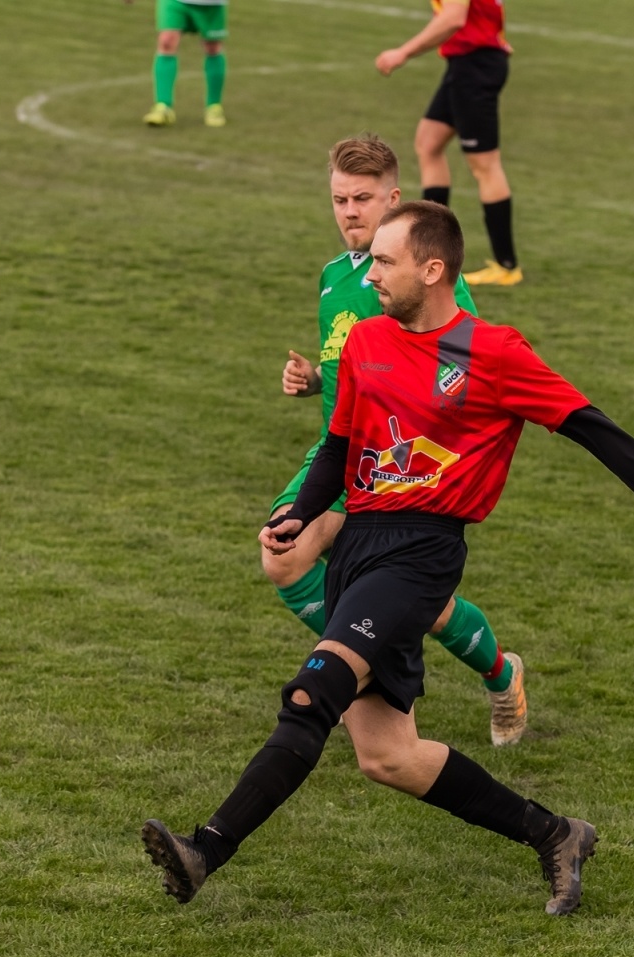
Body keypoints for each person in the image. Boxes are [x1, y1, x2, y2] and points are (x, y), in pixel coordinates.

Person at [144, 200, 634, 915]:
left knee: (311, 694)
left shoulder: (492, 352)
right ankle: (557, 834)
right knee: (388, 756)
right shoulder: (367, 341)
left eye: (385, 261)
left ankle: (205, 852)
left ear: (432, 269)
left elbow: (593, 428)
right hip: (359, 543)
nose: (371, 274)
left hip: (420, 554)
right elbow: (340, 447)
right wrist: (300, 514)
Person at [271, 134, 530, 747]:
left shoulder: (423, 274)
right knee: (285, 556)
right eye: (339, 199)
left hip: (395, 463)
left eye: (362, 199)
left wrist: (424, 411)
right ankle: (360, 668)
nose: (349, 212)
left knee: (417, 604)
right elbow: (349, 364)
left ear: (393, 200)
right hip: (336, 453)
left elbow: (459, 355)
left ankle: (498, 675)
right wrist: (315, 380)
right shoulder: (334, 275)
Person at [374, 0, 522, 286]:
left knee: (485, 165)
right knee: (428, 143)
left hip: (475, 64)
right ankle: (431, 247)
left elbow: (454, 17)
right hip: (467, 63)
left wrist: (403, 52)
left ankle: (507, 266)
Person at [130, 0, 228, 127]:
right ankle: (163, 106)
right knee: (167, 42)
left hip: (210, 5)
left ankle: (214, 106)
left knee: (212, 47)